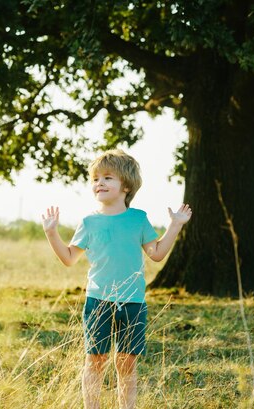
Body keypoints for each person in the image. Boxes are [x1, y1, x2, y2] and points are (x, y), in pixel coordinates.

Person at [41, 149, 192, 409]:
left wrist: (175, 226)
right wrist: (51, 233)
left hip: (132, 303)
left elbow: (156, 254)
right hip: (98, 302)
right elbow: (68, 258)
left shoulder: (138, 219)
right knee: (95, 361)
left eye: (108, 177)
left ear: (126, 186)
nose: (99, 183)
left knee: (126, 364)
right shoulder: (89, 222)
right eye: (96, 179)